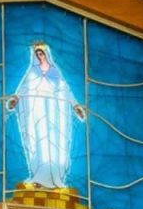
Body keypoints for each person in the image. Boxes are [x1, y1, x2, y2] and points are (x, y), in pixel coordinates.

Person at [8, 42, 85, 189]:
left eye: (41, 53)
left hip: (55, 112)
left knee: (56, 143)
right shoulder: (32, 72)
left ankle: (56, 177)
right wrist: (15, 99)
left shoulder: (56, 72)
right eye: (37, 54)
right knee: (38, 142)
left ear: (47, 54)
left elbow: (66, 91)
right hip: (38, 111)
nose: (39, 57)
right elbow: (24, 88)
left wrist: (75, 105)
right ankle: (39, 176)